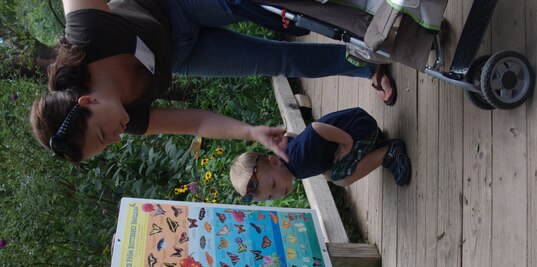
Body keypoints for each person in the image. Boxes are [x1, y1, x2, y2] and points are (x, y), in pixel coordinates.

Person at [29, 0, 397, 163]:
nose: (115, 138)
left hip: (177, 6)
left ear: (86, 103)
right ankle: (367, 64)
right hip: (184, 56)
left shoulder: (86, 37)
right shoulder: (132, 117)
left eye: (102, 135)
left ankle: (374, 17)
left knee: (283, 11)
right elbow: (199, 122)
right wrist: (250, 132)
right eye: (106, 146)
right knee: (279, 59)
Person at [229, 107, 411, 202]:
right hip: (358, 126)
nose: (278, 193)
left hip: (360, 129)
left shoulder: (298, 160)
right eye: (271, 196)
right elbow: (291, 136)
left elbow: (314, 129)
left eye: (273, 184)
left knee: (340, 179)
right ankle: (375, 147)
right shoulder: (285, 159)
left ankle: (388, 152)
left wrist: (347, 142)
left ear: (274, 162)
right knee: (330, 174)